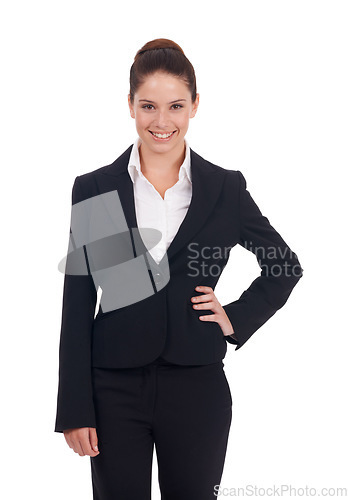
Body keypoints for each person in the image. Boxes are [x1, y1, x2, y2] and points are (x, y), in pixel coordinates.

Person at [54, 38, 303, 500]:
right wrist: (74, 407)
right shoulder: (94, 188)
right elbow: (78, 301)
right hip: (113, 388)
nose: (161, 121)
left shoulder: (224, 189)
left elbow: (283, 264)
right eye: (148, 106)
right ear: (130, 106)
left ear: (194, 106)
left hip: (197, 385)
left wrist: (235, 317)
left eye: (175, 106)